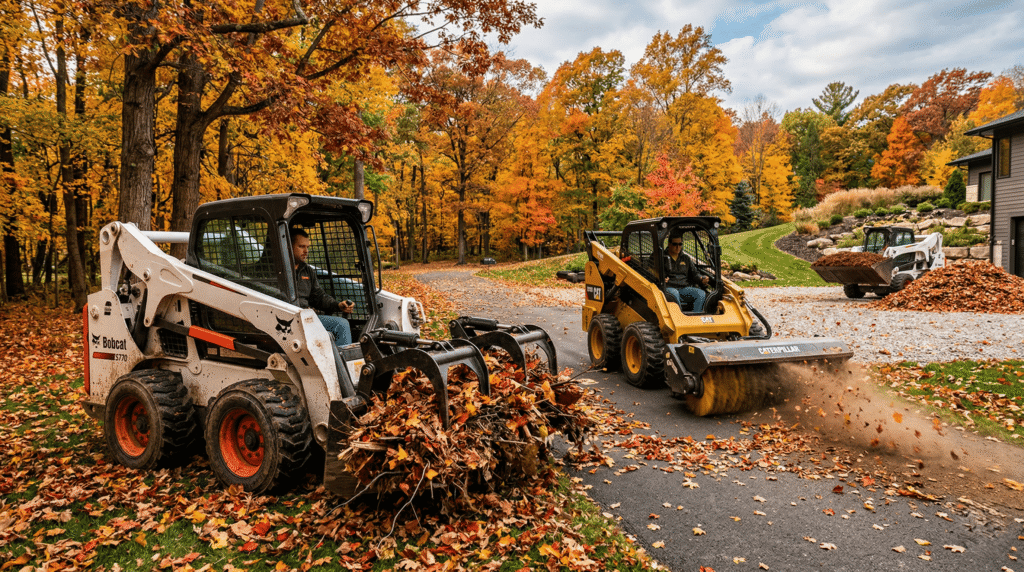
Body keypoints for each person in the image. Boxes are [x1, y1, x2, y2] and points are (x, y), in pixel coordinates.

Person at [290, 228, 354, 346]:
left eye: (307, 247)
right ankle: (344, 363)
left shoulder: (307, 270)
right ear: (288, 246)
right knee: (341, 325)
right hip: (289, 317)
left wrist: (338, 305)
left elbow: (318, 296)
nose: (306, 251)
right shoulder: (276, 271)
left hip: (305, 317)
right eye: (301, 246)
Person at [663, 236, 708, 312]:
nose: (678, 247)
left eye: (680, 244)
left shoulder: (685, 258)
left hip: (683, 289)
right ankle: (679, 317)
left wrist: (701, 279)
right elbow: (653, 271)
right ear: (669, 244)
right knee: (674, 293)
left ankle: (695, 318)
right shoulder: (661, 257)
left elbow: (695, 274)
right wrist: (661, 278)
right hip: (668, 288)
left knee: (701, 293)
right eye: (675, 244)